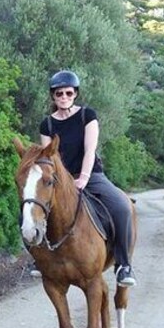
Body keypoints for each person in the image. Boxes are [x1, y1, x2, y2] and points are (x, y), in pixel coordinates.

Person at [39, 70, 137, 287]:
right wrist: (61, 182)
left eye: (68, 93)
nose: (64, 97)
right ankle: (39, 260)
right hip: (59, 181)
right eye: (58, 94)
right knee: (32, 208)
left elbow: (90, 149)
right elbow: (48, 158)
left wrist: (83, 178)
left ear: (75, 94)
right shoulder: (47, 124)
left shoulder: (87, 116)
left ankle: (123, 265)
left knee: (122, 206)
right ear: (53, 96)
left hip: (90, 175)